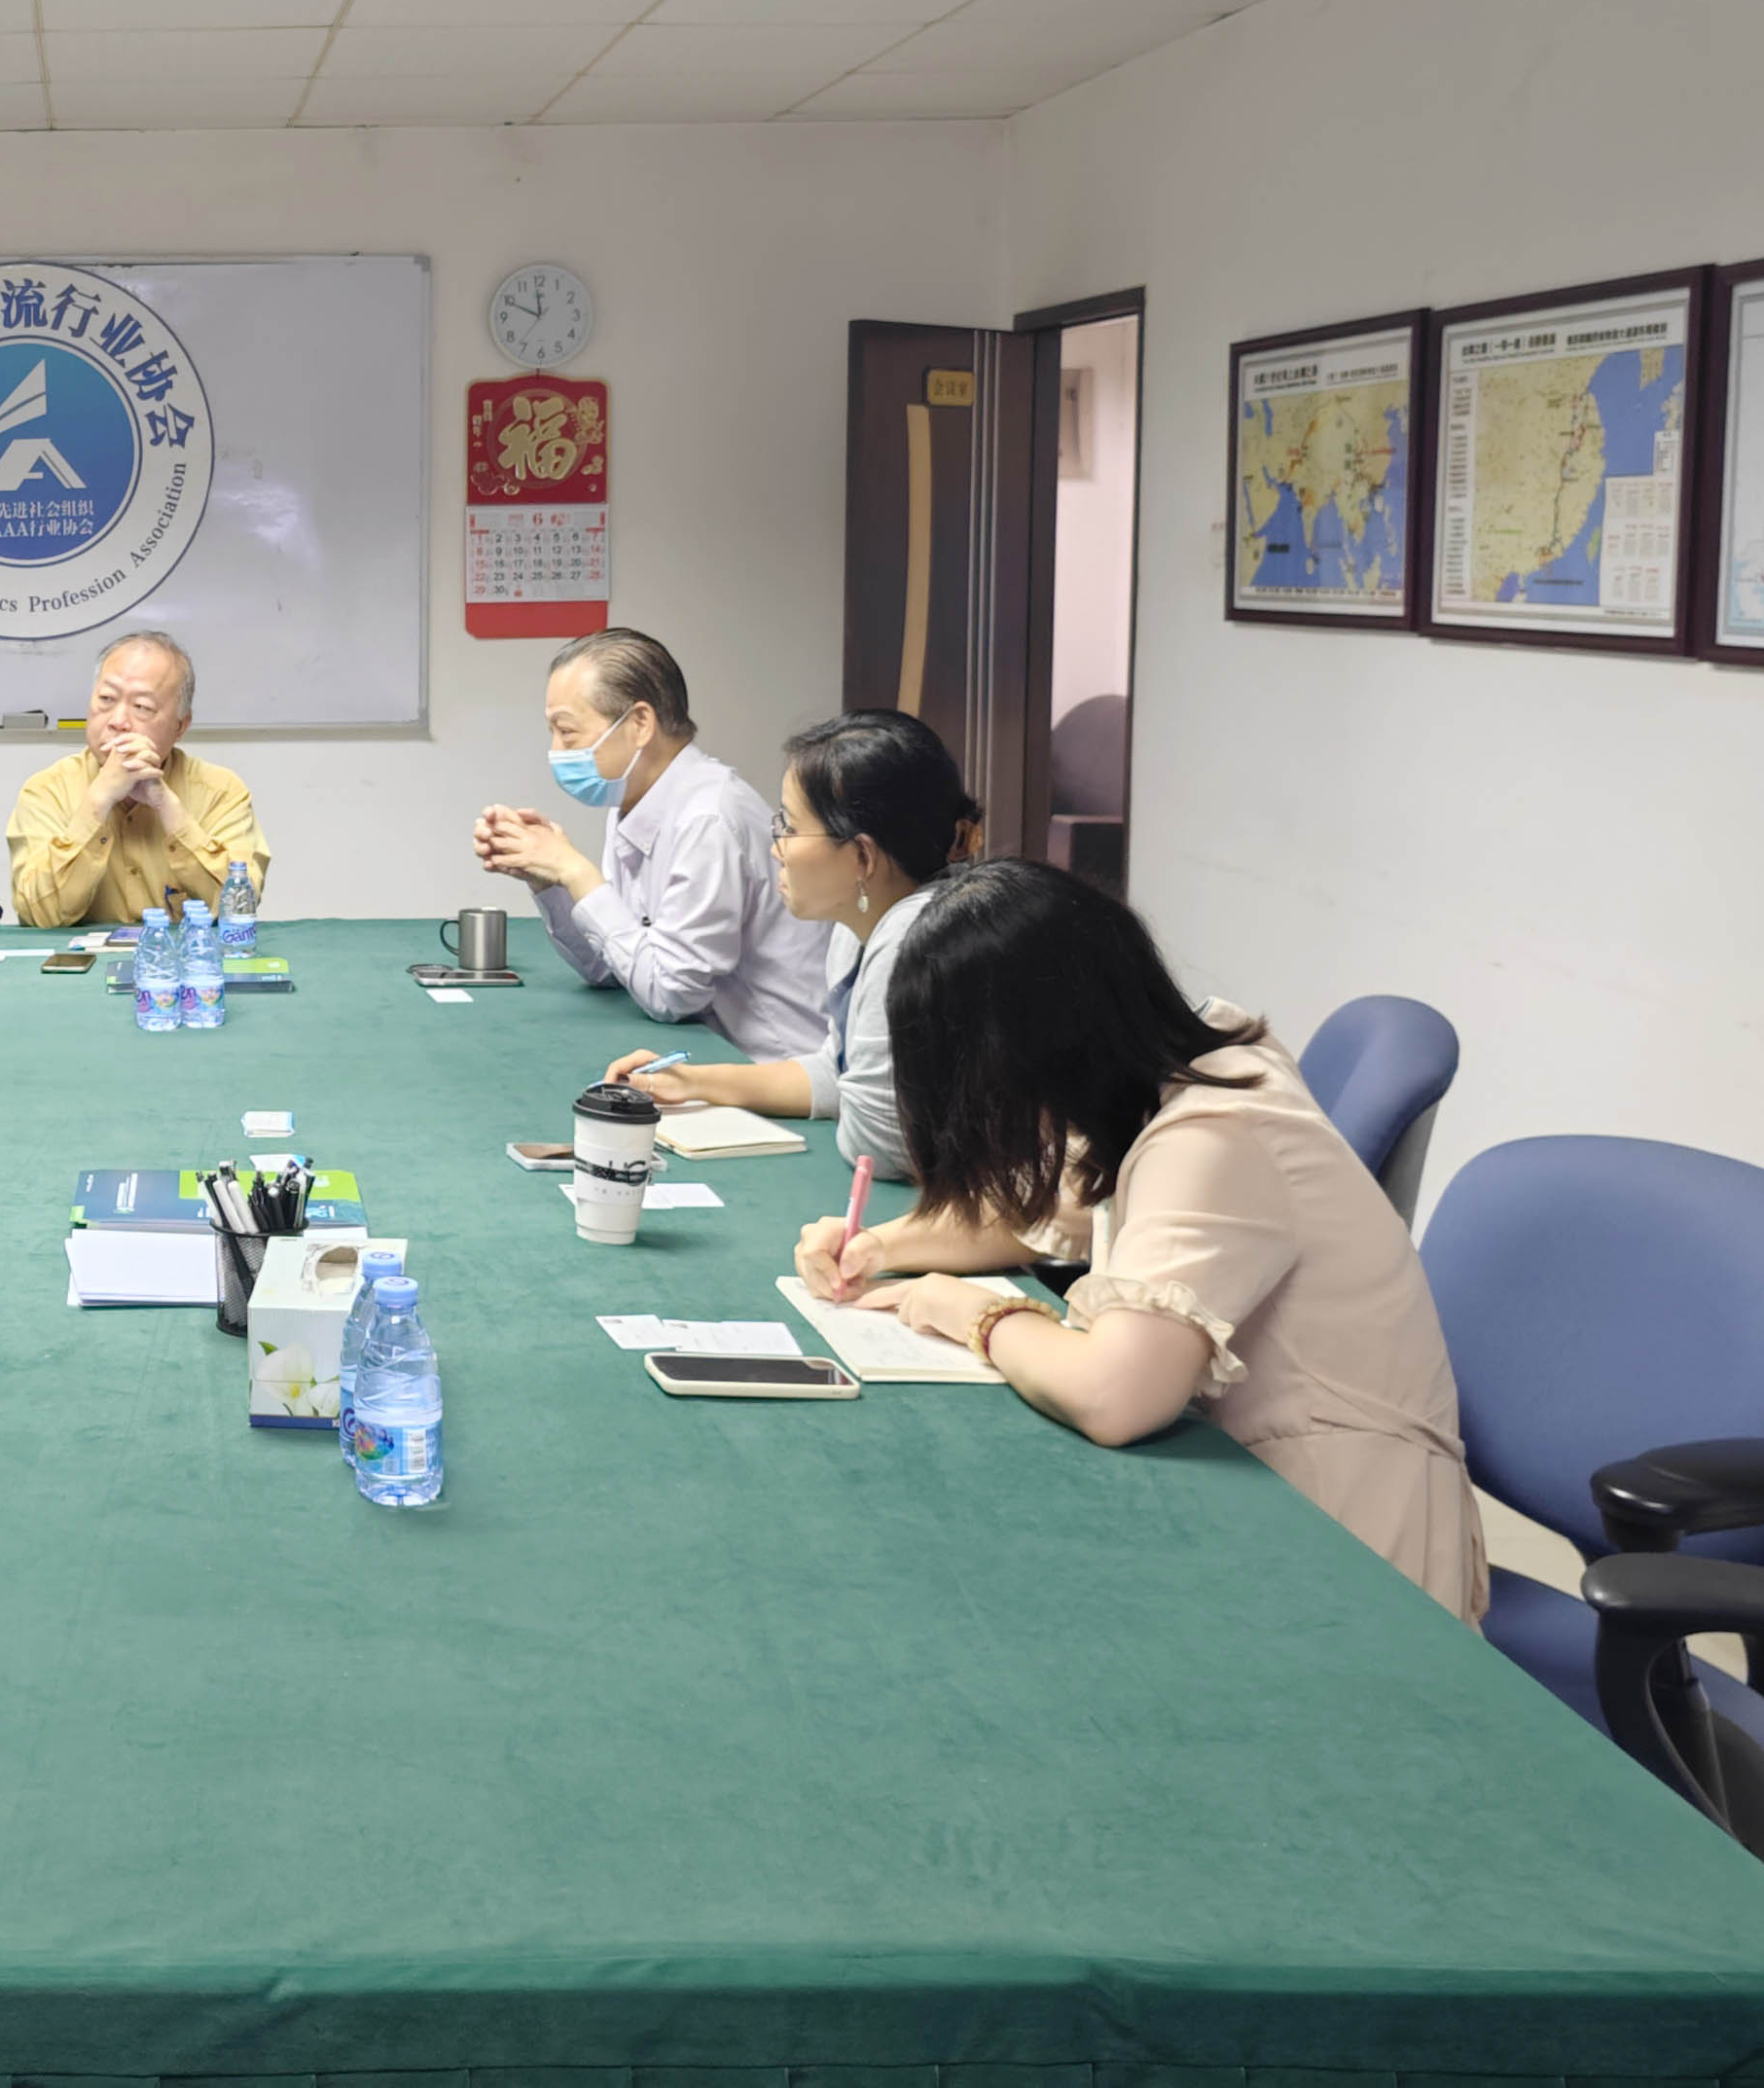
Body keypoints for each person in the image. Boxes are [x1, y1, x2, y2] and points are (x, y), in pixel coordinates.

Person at [795, 858, 1482, 1619]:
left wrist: (972, 1314)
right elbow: (1044, 1212)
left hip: (1347, 1541)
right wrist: (882, 1246)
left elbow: (1113, 1396)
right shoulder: (1169, 1065)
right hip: (1256, 1478)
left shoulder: (1214, 1133)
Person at [599, 708, 979, 1175]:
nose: (776, 847)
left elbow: (881, 1147)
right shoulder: (856, 926)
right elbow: (836, 1073)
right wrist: (692, 1083)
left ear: (862, 856)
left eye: (792, 828)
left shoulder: (912, 940)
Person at [473, 627, 826, 1064]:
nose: (556, 751)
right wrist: (548, 879)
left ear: (640, 723)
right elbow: (611, 969)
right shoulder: (635, 800)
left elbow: (670, 994)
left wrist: (577, 872)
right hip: (712, 1049)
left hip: (771, 1062)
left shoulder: (708, 819)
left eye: (567, 731)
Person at [5, 629, 270, 928]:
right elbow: (39, 914)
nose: (118, 721)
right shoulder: (46, 790)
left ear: (180, 726)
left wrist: (167, 806)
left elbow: (239, 908)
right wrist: (97, 802)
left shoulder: (221, 791)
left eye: (142, 707)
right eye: (106, 699)